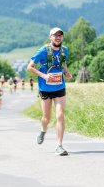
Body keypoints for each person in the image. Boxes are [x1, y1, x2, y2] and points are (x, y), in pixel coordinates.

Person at [27, 27, 72, 156]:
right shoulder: (43, 51)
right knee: (46, 118)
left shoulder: (65, 50)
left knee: (60, 115)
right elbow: (30, 67)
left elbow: (63, 64)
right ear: (50, 37)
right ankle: (43, 130)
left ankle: (59, 145)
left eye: (60, 35)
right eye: (55, 35)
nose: (58, 37)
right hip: (45, 88)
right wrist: (44, 76)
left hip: (59, 87)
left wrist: (66, 73)